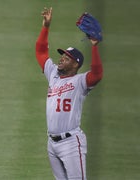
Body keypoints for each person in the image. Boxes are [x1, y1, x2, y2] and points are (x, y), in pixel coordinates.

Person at [35, 7, 103, 179]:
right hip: (52, 143)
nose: (61, 59)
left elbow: (97, 75)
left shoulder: (80, 81)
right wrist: (46, 27)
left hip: (72, 143)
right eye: (62, 55)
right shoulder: (53, 75)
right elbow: (41, 51)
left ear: (75, 64)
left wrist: (94, 47)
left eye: (66, 58)